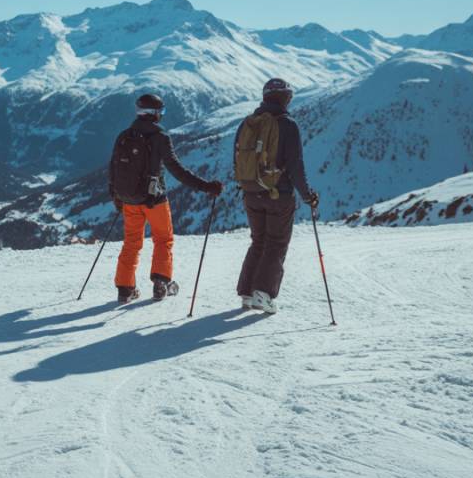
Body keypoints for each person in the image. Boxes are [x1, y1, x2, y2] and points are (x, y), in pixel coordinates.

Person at [109, 93, 223, 303]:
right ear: (154, 114)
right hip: (155, 199)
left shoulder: (124, 135)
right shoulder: (160, 137)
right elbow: (177, 170)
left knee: (131, 243)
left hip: (129, 199)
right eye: (162, 112)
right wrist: (206, 187)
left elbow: (113, 168)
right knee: (163, 239)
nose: (162, 116)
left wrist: (116, 196)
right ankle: (160, 283)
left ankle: (125, 289)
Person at [233, 78, 318, 315]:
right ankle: (264, 294)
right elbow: (295, 165)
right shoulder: (288, 125)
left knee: (258, 241)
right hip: (277, 194)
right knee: (276, 243)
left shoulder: (247, 124)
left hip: (250, 192)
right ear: (285, 98)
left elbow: (238, 158)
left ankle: (247, 293)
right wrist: (307, 195)